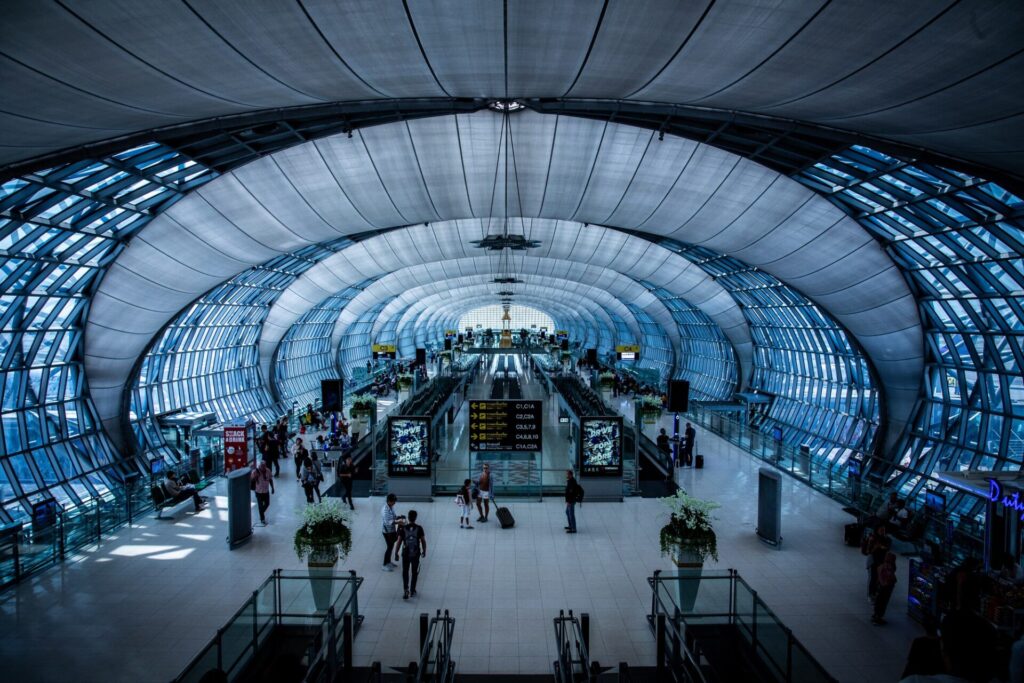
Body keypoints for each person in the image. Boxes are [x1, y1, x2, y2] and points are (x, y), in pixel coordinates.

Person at [394, 509, 427, 599]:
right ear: (415, 518)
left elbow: (399, 541)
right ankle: (412, 590)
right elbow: (423, 541)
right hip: (415, 554)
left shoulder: (403, 528)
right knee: (414, 572)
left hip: (405, 553)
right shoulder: (419, 528)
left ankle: (406, 590)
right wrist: (424, 551)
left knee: (405, 571)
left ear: (408, 518)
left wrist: (396, 552)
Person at [872, 552, 897, 625]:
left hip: (881, 586)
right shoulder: (889, 568)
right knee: (883, 602)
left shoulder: (881, 566)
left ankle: (876, 615)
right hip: (886, 587)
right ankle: (878, 617)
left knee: (879, 601)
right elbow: (891, 577)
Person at [380, 494, 402, 572]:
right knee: (389, 547)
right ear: (389, 501)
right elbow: (388, 522)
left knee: (391, 546)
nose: (394, 503)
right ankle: (384, 564)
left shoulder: (390, 507)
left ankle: (388, 562)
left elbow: (393, 516)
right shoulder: (385, 510)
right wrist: (398, 522)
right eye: (393, 501)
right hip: (387, 532)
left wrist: (398, 517)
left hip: (391, 530)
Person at [250, 460, 275, 526]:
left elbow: (270, 479)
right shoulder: (255, 472)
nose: (263, 468)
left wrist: (272, 488)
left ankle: (261, 512)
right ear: (259, 466)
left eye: (264, 466)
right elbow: (251, 480)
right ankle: (262, 518)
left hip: (266, 491)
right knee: (260, 506)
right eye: (262, 466)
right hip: (258, 492)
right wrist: (255, 477)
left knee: (267, 504)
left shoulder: (268, 471)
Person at [564, 469, 582, 533]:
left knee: (571, 514)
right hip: (570, 500)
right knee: (567, 512)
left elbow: (571, 493)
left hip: (571, 500)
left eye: (567, 474)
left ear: (570, 475)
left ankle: (573, 528)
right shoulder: (570, 481)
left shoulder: (572, 482)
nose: (566, 475)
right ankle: (571, 525)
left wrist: (568, 501)